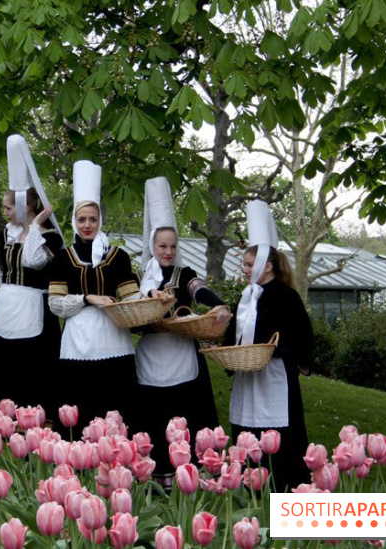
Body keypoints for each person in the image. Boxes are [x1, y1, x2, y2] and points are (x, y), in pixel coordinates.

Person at [134, 176, 231, 482]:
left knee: (184, 413)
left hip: (181, 355)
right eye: (162, 246)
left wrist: (219, 304)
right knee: (154, 414)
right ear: (153, 245)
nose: (168, 251)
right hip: (150, 355)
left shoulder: (184, 272)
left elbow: (199, 290)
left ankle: (189, 473)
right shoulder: (140, 279)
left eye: (173, 246)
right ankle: (155, 473)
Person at [226, 200, 313, 492]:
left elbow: (302, 336)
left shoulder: (287, 297)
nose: (246, 269)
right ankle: (251, 489)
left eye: (251, 264)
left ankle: (286, 489)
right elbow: (234, 335)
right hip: (247, 376)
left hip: (275, 376)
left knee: (280, 437)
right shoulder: (247, 296)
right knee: (247, 433)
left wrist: (276, 351)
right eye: (246, 264)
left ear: (268, 264)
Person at [48, 160, 139, 428]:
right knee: (79, 404)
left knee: (115, 403)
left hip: (114, 339)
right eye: (82, 219)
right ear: (74, 222)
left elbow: (131, 298)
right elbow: (55, 304)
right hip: (77, 341)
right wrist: (89, 298)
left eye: (93, 219)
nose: (87, 225)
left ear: (101, 221)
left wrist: (153, 300)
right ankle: (77, 460)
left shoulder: (118, 257)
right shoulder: (64, 258)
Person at [0, 134, 64, 415]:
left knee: (29, 364)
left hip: (33, 308)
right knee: (4, 360)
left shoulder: (49, 236)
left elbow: (33, 261)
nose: (5, 212)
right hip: (7, 306)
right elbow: (2, 272)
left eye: (9, 207)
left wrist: (36, 227)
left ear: (26, 207)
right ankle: (2, 418)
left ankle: (33, 419)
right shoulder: (7, 234)